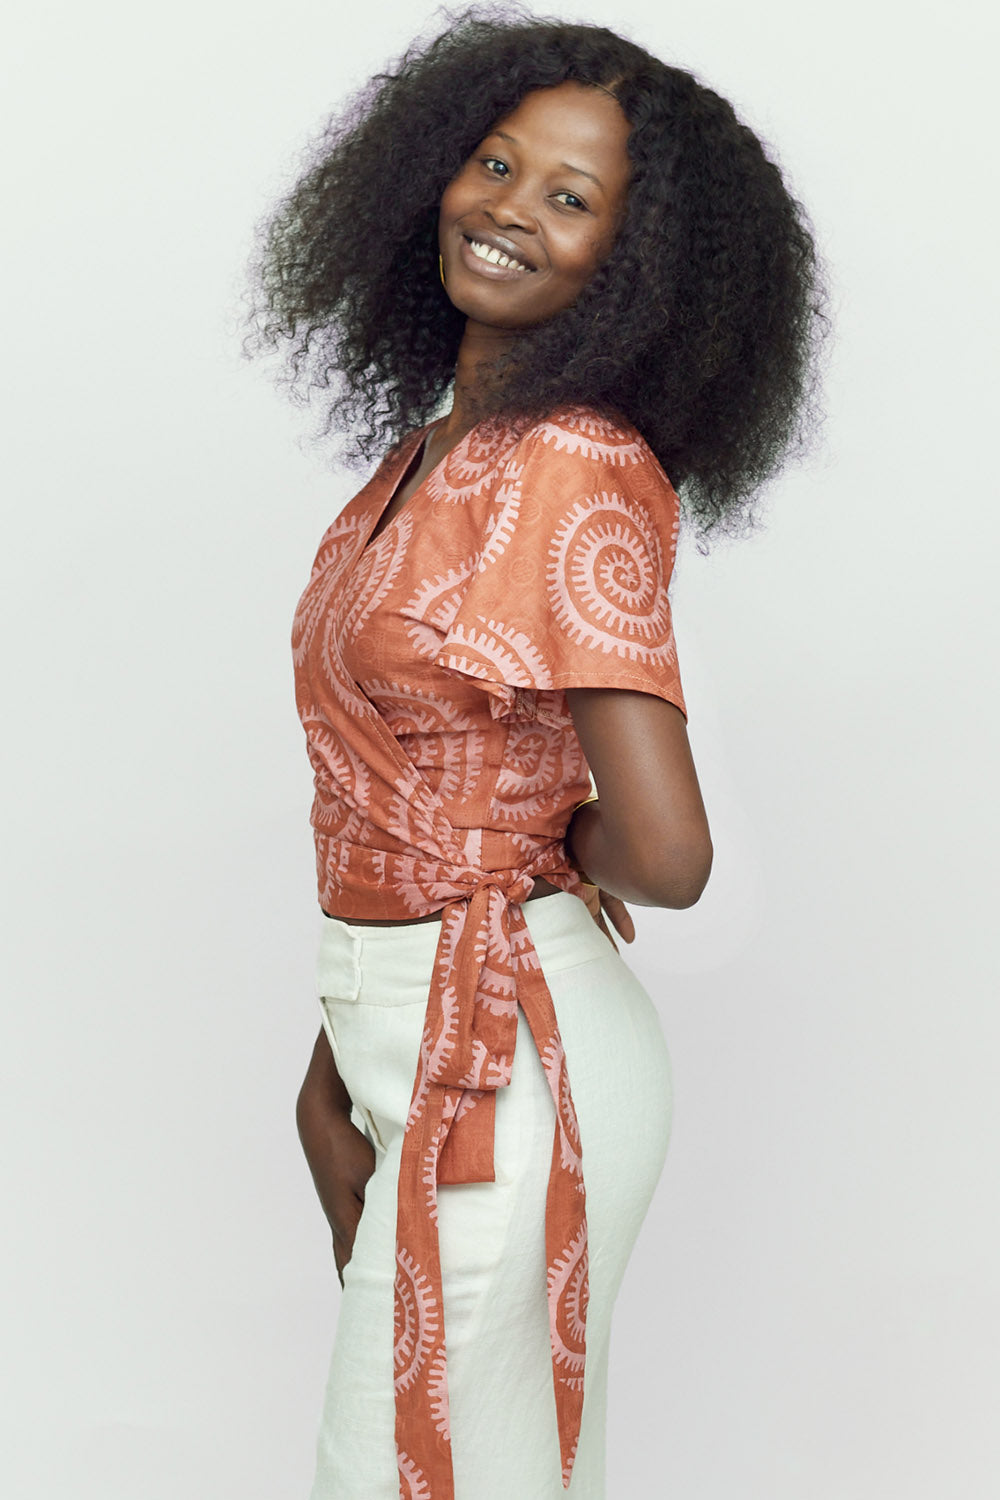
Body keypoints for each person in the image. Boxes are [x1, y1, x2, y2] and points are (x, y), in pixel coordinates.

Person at [246, 10, 825, 1498]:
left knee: (397, 1478)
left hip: (507, 1059)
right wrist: (332, 1063)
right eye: (496, 164)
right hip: (410, 1041)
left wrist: (559, 849)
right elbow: (403, 790)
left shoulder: (577, 466)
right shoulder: (428, 452)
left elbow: (670, 856)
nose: (508, 207)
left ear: (635, 267)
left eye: (571, 198)